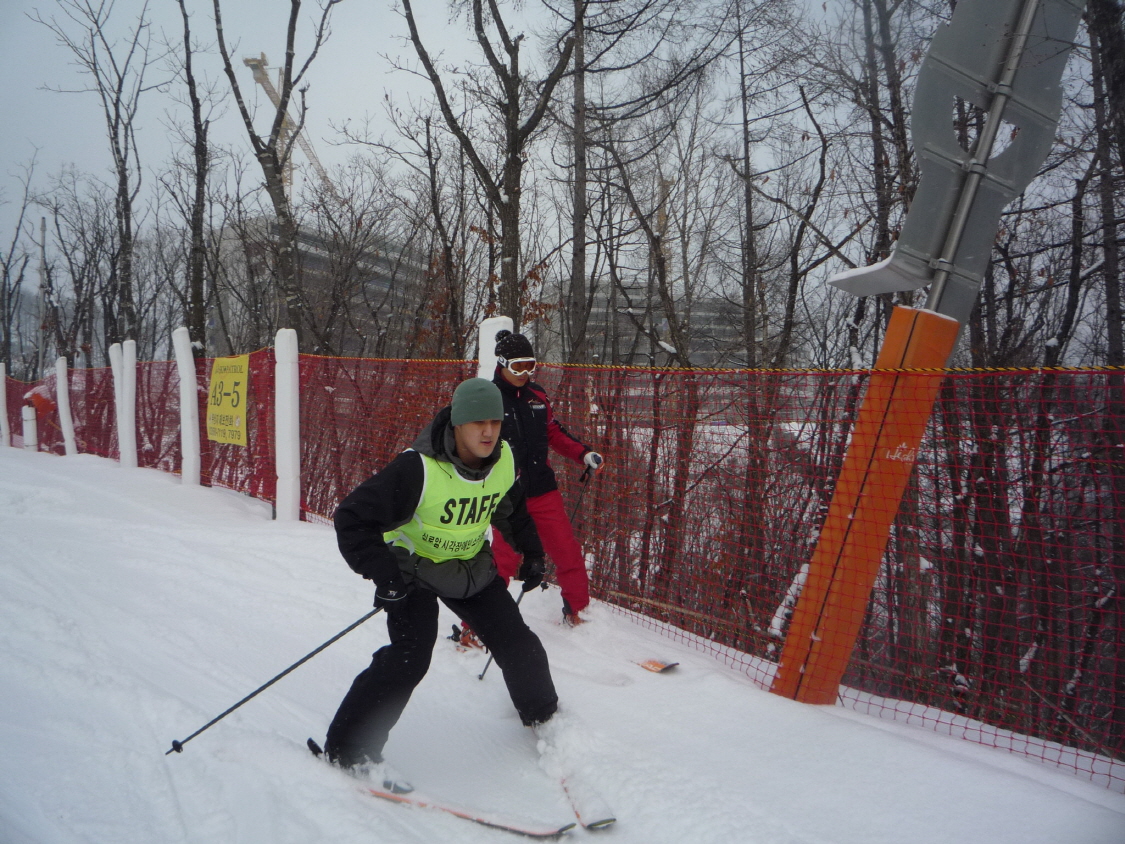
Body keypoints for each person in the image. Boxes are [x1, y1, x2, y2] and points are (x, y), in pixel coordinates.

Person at [322, 377, 559, 791]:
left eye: (495, 422)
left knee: (519, 644)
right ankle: (350, 750)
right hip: (412, 570)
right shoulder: (418, 468)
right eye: (478, 423)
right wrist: (385, 574)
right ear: (457, 423)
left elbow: (509, 507)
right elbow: (352, 518)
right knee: (410, 656)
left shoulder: (504, 458)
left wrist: (532, 552)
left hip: (469, 567)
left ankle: (546, 719)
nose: (488, 432)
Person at [488, 329, 604, 626]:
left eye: (529, 365)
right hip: (507, 496)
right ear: (502, 364)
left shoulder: (537, 396)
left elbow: (553, 431)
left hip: (543, 489)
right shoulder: (488, 398)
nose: (524, 373)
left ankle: (578, 611)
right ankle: (479, 624)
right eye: (518, 367)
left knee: (567, 551)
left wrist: (583, 453)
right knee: (503, 559)